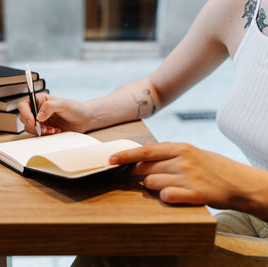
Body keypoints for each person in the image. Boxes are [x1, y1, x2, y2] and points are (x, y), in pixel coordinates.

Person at [19, 0, 268, 264]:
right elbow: (155, 89)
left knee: (119, 243)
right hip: (251, 213)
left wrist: (239, 183)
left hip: (255, 199)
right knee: (117, 229)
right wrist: (87, 115)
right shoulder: (240, 6)